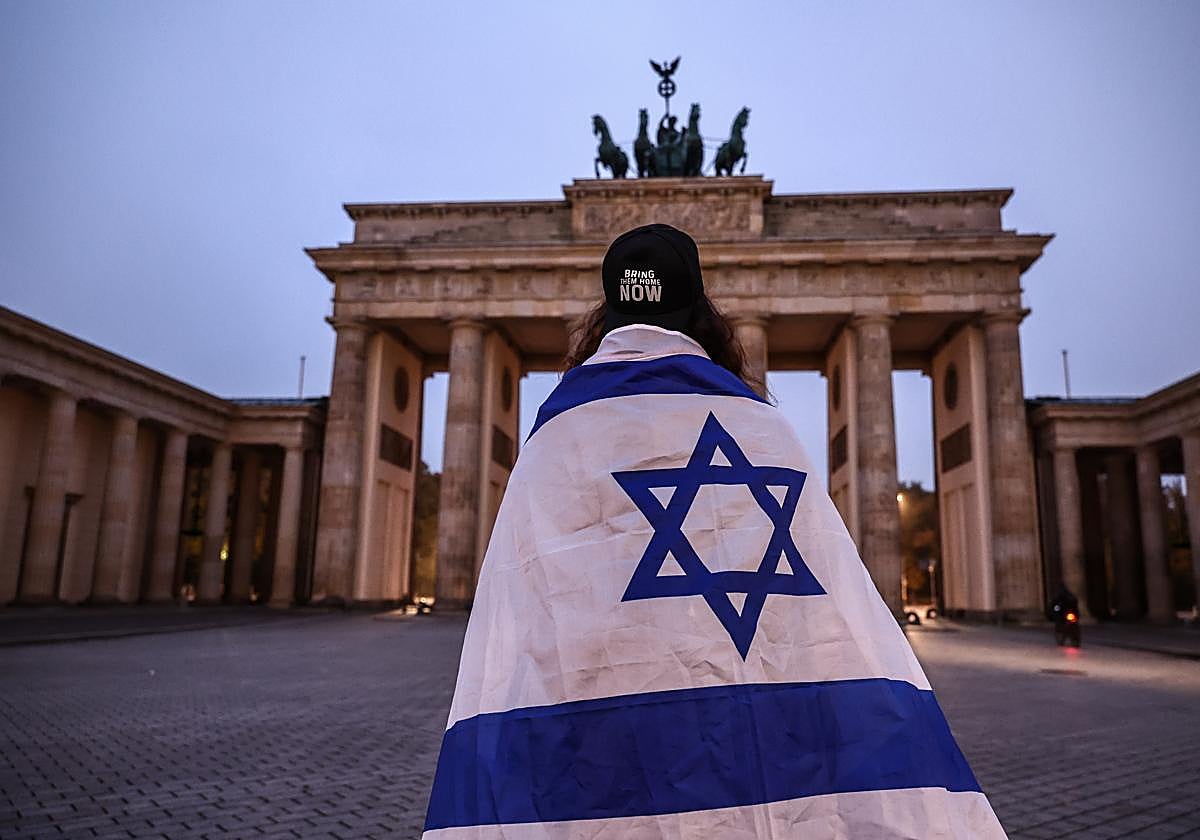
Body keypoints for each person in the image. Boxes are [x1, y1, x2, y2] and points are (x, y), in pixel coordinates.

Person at [422, 224, 1006, 839]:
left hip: (597, 741)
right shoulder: (761, 429)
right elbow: (821, 615)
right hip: (752, 747)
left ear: (608, 313)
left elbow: (523, 612)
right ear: (699, 310)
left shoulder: (556, 436)